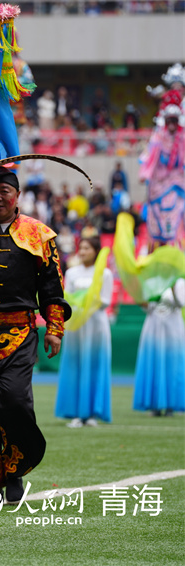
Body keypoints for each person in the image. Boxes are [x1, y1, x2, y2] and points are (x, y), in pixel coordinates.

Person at [0, 166, 71, 504]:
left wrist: (54, 329)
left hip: (19, 333)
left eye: (5, 191)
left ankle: (16, 469)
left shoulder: (40, 235)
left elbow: (52, 288)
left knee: (14, 401)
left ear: (17, 195)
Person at [55, 236, 113, 427]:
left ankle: (93, 413)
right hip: (77, 325)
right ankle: (76, 413)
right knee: (76, 364)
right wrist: (79, 301)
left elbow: (105, 301)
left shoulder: (104, 273)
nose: (83, 252)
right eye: (81, 248)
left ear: (95, 251)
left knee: (95, 364)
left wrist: (89, 299)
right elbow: (67, 298)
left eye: (87, 248)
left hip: (96, 325)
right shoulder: (71, 273)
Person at [133, 276, 185, 417]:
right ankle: (154, 404)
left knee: (172, 363)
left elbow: (181, 304)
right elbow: (149, 306)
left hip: (173, 326)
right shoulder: (151, 280)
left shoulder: (180, 281)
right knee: (153, 361)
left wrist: (174, 288)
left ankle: (171, 405)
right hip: (154, 325)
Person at [138, 105, 184, 249]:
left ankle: (176, 249)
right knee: (156, 217)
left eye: (174, 121)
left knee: (176, 215)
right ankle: (157, 249)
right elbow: (149, 159)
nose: (171, 124)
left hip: (177, 183)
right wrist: (145, 174)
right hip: (158, 184)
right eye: (169, 120)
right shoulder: (157, 138)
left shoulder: (182, 139)